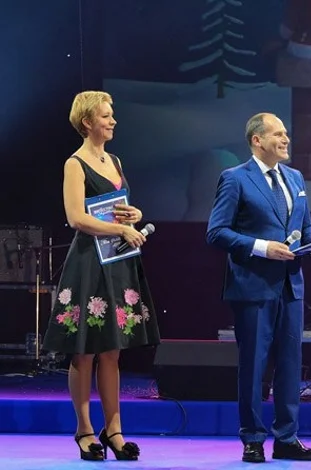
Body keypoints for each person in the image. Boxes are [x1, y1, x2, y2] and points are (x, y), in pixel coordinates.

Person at [42, 91, 160, 461]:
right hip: (89, 262)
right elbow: (76, 217)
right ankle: (85, 430)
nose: (112, 121)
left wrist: (132, 215)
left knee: (112, 350)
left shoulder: (115, 161)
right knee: (84, 351)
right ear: (87, 121)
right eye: (106, 116)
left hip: (116, 261)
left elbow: (116, 208)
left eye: (112, 115)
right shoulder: (75, 164)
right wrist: (121, 230)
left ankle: (114, 430)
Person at [206, 112, 311, 463]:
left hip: (290, 286)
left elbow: (304, 227)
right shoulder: (235, 178)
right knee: (254, 366)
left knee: (290, 365)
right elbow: (216, 232)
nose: (286, 139)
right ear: (257, 140)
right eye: (278, 134)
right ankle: (253, 438)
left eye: (286, 133)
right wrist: (262, 247)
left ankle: (287, 437)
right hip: (253, 286)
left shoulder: (295, 177)